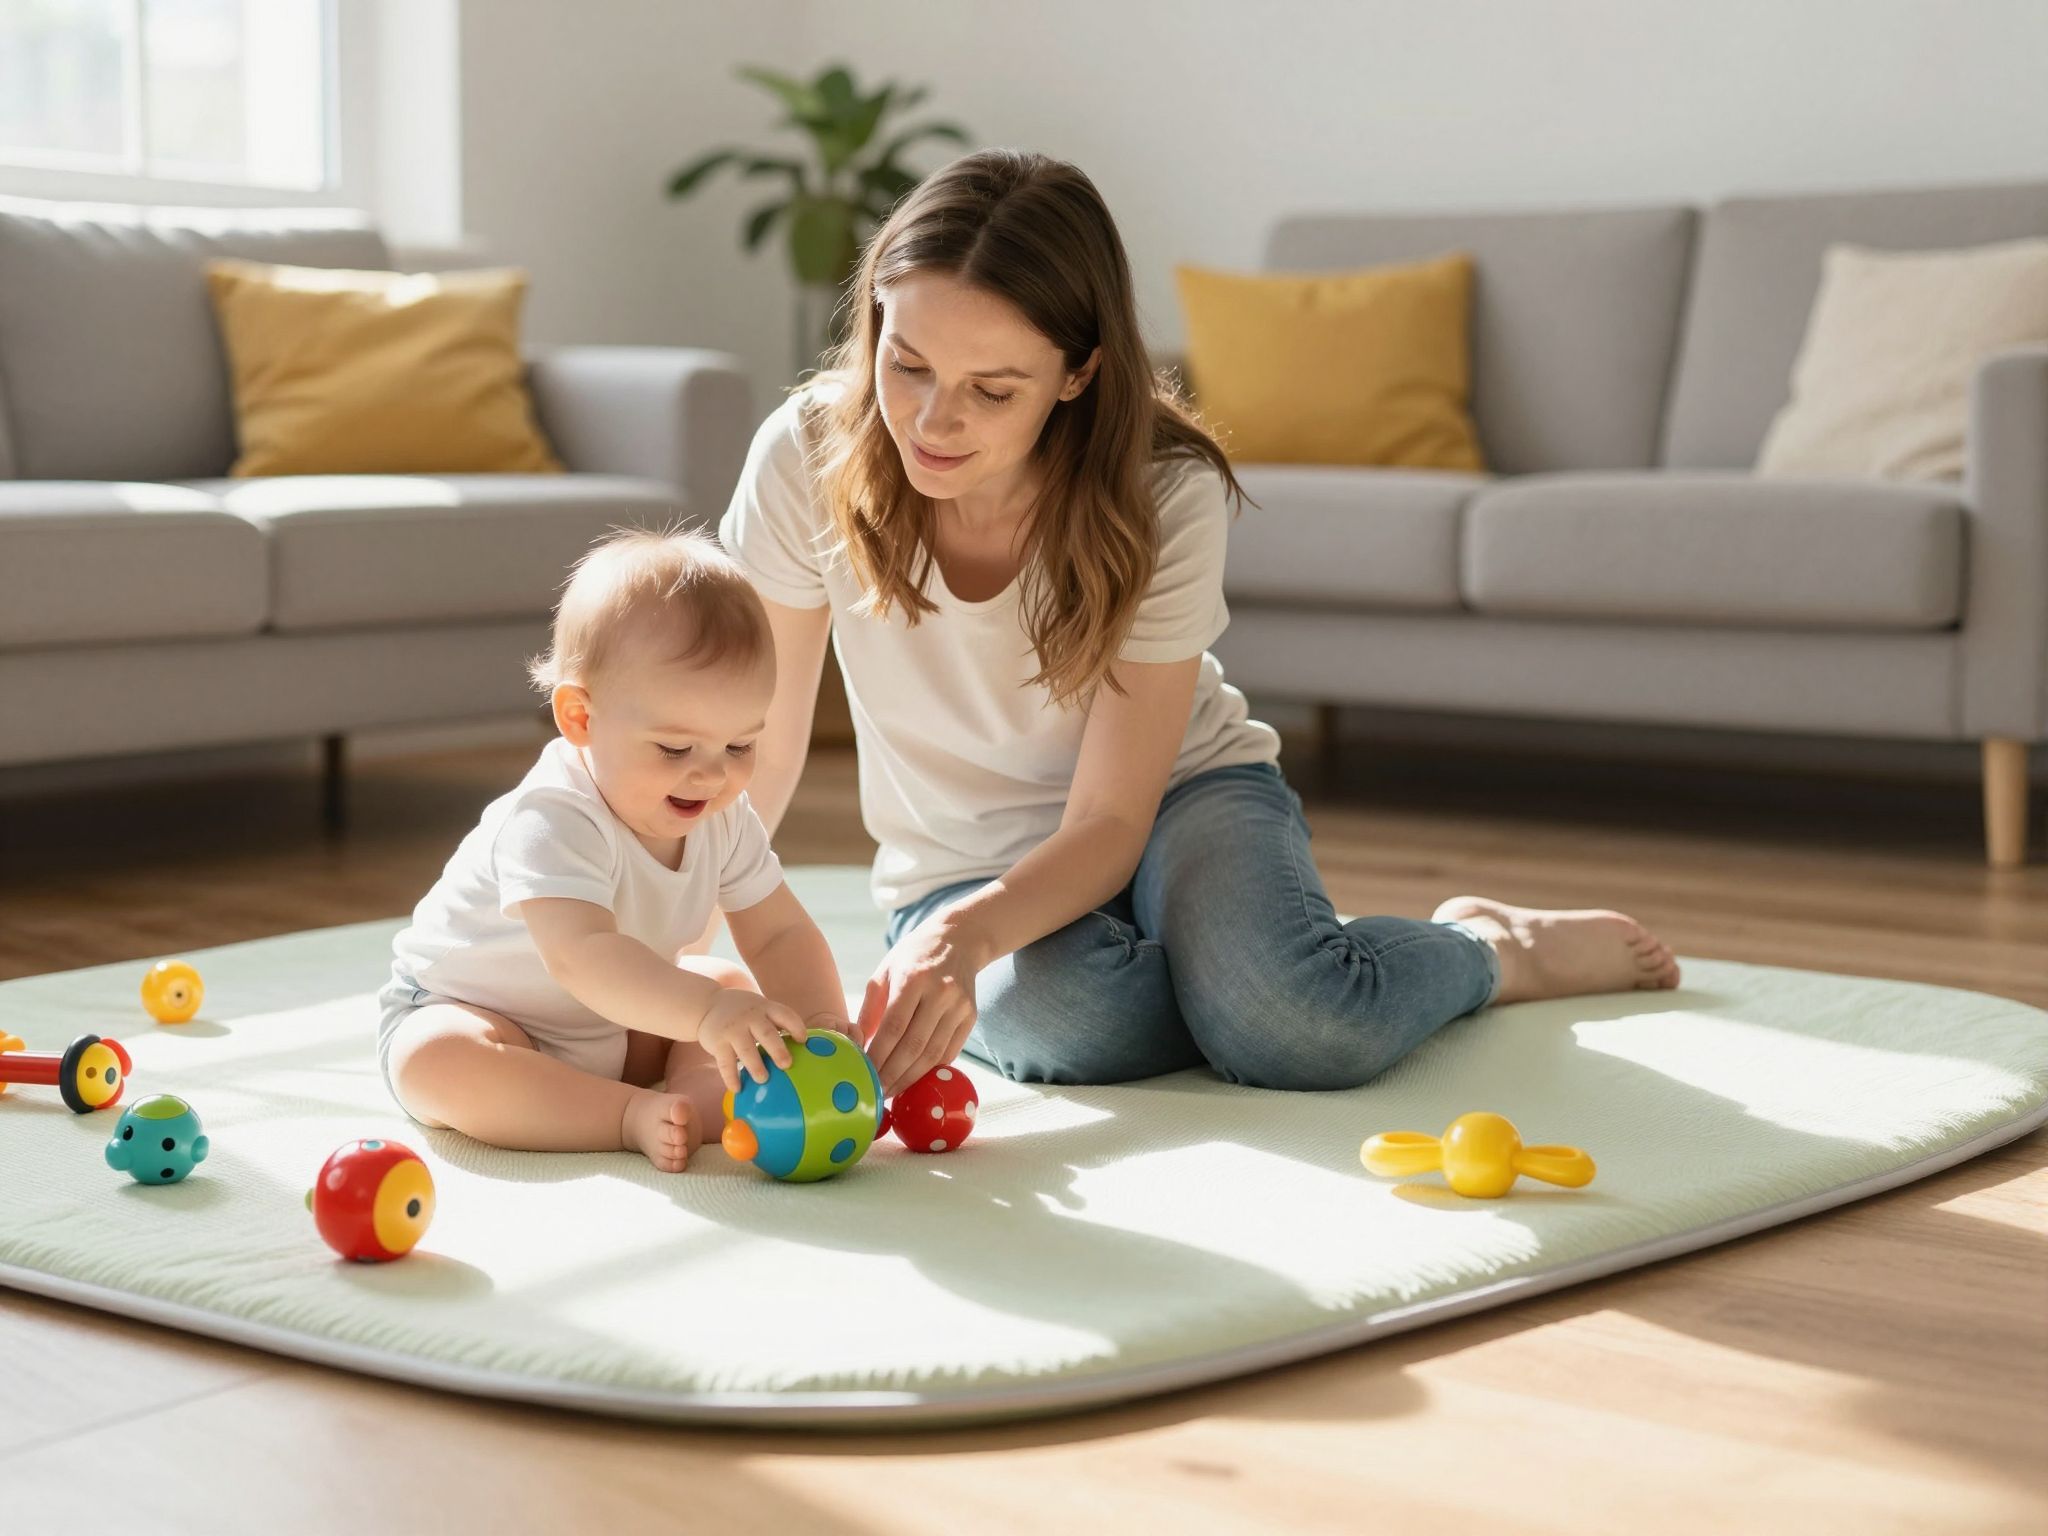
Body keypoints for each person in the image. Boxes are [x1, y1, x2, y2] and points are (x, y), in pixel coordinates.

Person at [720, 149, 1680, 1101]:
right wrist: (678, 932)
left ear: (1076, 373)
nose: (933, 420)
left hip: (1181, 798)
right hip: (962, 863)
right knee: (1084, 1024)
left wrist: (965, 943)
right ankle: (1244, 970)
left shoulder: (1159, 490)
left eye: (992, 389)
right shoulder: (807, 455)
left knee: (1303, 1029)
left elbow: (1110, 817)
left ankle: (1489, 948)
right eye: (909, 363)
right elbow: (757, 747)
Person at [379, 529, 851, 1171]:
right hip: (482, 1011)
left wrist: (822, 1025)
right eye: (676, 749)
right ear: (580, 719)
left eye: (739, 746)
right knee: (434, 1062)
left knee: (731, 987)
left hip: (619, 1026)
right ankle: (623, 1116)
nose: (711, 777)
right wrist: (707, 1014)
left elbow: (778, 935)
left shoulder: (723, 816)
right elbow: (583, 957)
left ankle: (687, 1105)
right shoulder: (552, 818)